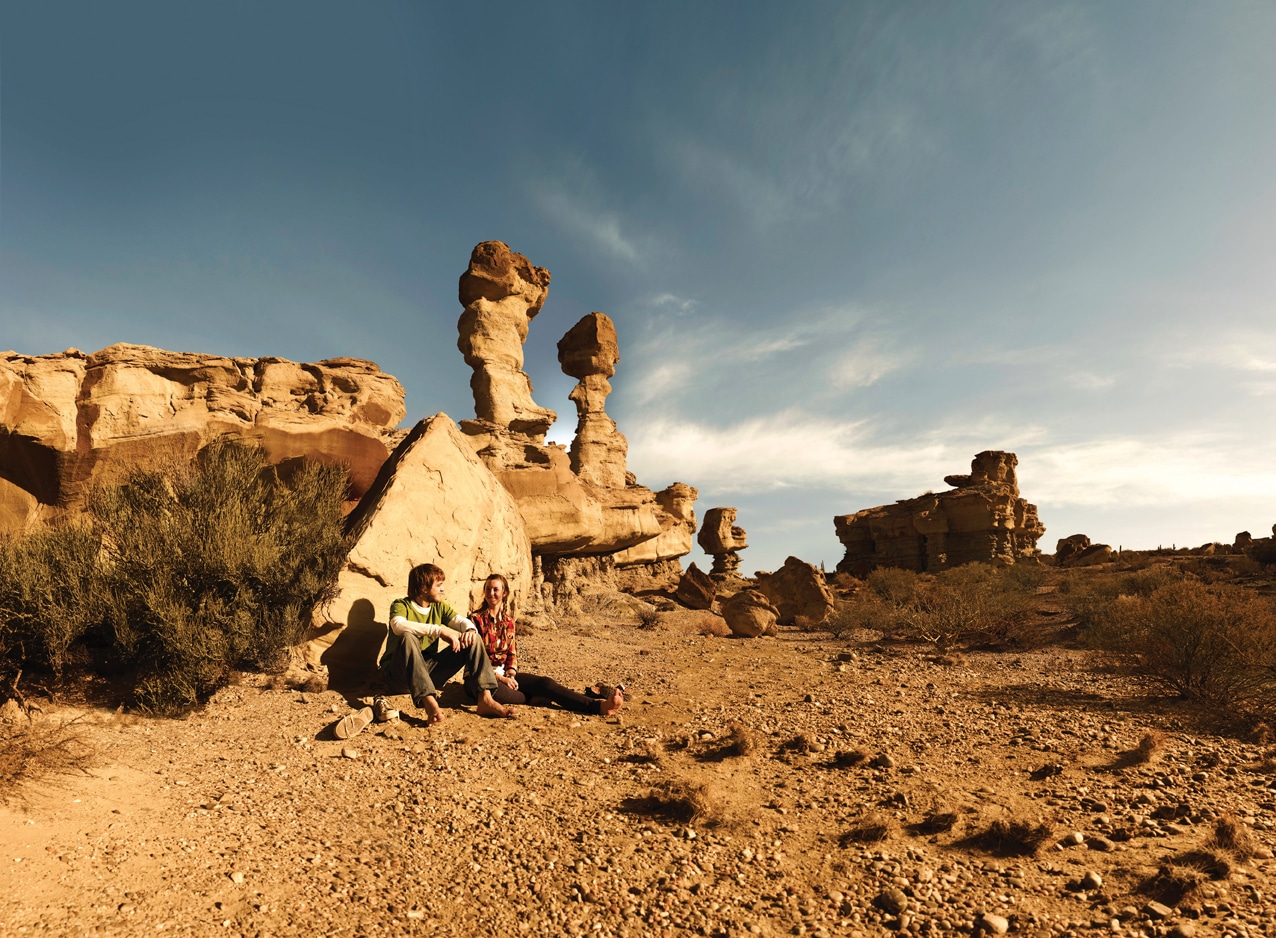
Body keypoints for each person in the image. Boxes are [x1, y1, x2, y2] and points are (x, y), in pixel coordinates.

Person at [377, 563, 515, 726]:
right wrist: (439, 631)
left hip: (429, 673)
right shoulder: (401, 605)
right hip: (399, 676)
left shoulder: (439, 607)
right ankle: (429, 702)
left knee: (474, 638)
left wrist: (470, 630)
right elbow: (398, 626)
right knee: (408, 637)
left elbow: (461, 622)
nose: (443, 589)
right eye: (439, 585)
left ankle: (485, 699)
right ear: (423, 588)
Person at [468, 573, 624, 717]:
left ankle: (598, 706)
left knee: (545, 683)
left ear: (504, 593)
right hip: (480, 680)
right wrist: (502, 679)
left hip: (504, 674)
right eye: (488, 589)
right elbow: (476, 659)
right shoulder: (475, 619)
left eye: (496, 589)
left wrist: (510, 675)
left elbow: (511, 653)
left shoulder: (508, 621)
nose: (491, 593)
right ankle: (535, 698)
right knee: (511, 694)